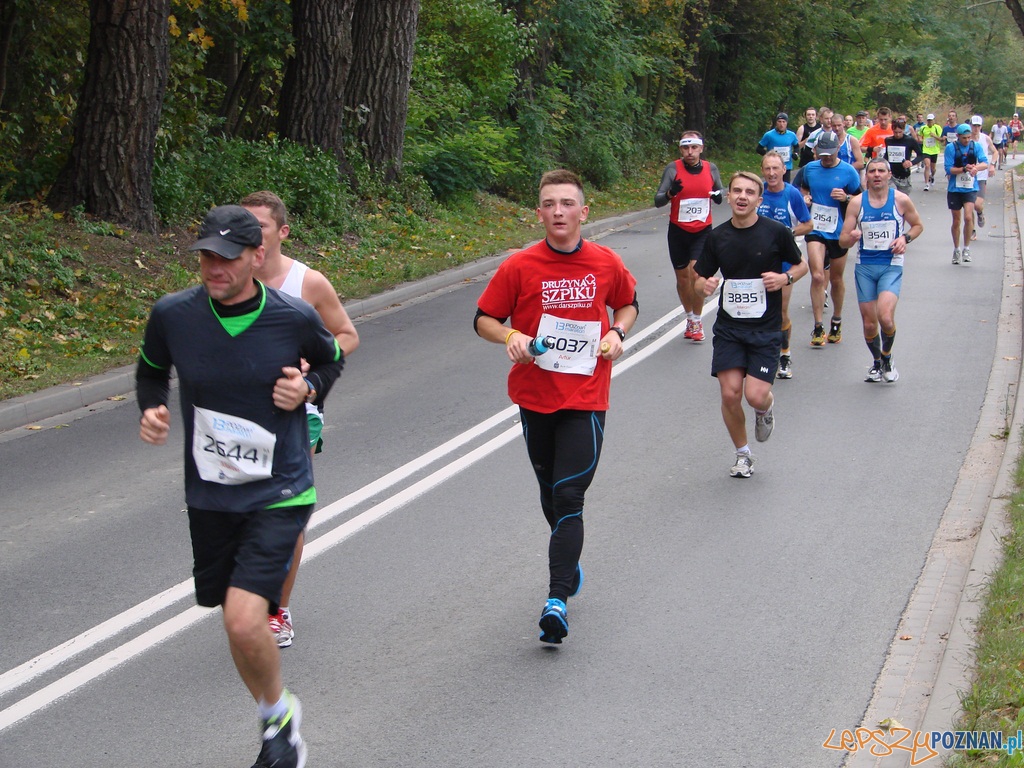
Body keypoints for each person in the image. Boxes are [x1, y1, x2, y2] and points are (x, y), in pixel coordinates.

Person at [137, 205, 345, 768]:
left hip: (281, 489)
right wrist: (152, 407)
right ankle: (276, 718)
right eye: (206, 255)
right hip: (211, 491)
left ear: (257, 256)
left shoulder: (293, 317)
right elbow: (151, 369)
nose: (214, 267)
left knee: (243, 616)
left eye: (227, 257)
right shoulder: (174, 315)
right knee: (233, 620)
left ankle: (279, 725)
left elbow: (330, 362)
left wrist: (306, 389)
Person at [474, 169, 638, 644]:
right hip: (534, 395)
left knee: (569, 496)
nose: (559, 211)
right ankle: (568, 561)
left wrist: (616, 332)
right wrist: (511, 335)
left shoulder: (606, 262)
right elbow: (484, 318)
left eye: (568, 203)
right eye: (550, 203)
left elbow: (628, 304)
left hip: (586, 397)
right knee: (550, 494)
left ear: (584, 212)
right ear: (540, 212)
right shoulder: (520, 266)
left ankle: (556, 599)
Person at [242, 190, 360, 649]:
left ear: (282, 232)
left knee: (283, 510)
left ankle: (277, 611)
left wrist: (315, 362)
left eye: (262, 227)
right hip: (238, 416)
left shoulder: (307, 284)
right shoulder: (228, 277)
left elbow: (347, 336)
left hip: (298, 413)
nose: (252, 236)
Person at [694, 172, 807, 478]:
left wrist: (785, 278)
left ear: (759, 199)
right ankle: (743, 454)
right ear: (728, 197)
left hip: (766, 328)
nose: (742, 196)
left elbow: (802, 265)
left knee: (755, 395)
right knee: (730, 393)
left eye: (749, 192)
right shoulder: (717, 237)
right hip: (730, 328)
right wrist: (703, 286)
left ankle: (764, 408)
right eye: (737, 191)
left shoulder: (775, 232)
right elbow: (699, 279)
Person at [839, 158, 924, 384]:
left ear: (888, 175)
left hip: (891, 264)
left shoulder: (901, 200)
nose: (876, 175)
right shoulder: (857, 203)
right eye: (872, 171)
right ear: (866, 176)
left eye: (881, 171)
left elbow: (918, 226)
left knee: (885, 317)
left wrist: (904, 238)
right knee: (869, 324)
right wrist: (852, 237)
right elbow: (842, 241)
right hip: (865, 266)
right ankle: (877, 361)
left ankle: (887, 356)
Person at [792, 131, 863, 347]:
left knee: (837, 279)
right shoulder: (810, 169)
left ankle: (836, 320)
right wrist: (804, 197)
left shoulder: (849, 172)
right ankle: (818, 326)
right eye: (822, 155)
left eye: (830, 155)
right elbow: (797, 188)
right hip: (816, 229)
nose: (826, 158)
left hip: (839, 231)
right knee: (817, 276)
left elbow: (860, 199)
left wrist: (847, 197)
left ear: (837, 150)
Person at [655, 130, 724, 342]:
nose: (690, 152)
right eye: (686, 147)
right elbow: (657, 200)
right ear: (680, 149)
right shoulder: (672, 168)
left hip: (702, 231)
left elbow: (720, 192)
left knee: (696, 275)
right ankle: (689, 315)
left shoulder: (710, 168)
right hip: (678, 232)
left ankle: (696, 319)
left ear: (701, 149)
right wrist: (670, 193)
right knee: (683, 279)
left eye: (694, 147)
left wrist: (718, 195)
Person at [757, 151, 812, 380]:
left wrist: (788, 233)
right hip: (757, 259)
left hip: (785, 260)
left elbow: (808, 225)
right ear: (763, 171)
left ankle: (784, 354)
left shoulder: (792, 194)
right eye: (767, 169)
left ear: (783, 170)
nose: (771, 173)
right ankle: (760, 354)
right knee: (756, 310)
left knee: (779, 310)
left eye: (775, 169)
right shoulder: (757, 192)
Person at [944, 123, 989, 264]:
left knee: (968, 217)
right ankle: (956, 249)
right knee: (956, 220)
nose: (967, 140)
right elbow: (948, 169)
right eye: (964, 138)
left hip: (970, 188)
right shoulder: (951, 148)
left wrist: (975, 168)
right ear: (958, 136)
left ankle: (966, 248)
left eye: (969, 137)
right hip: (955, 189)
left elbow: (985, 163)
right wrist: (963, 169)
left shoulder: (975, 146)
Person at [970, 116, 998, 237]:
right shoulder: (966, 139)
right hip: (968, 176)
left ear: (981, 127)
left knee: (977, 204)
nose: (976, 128)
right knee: (969, 205)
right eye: (974, 126)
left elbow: (995, 152)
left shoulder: (985, 138)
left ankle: (980, 213)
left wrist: (992, 165)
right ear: (970, 125)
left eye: (978, 126)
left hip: (981, 176)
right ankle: (971, 230)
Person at [756, 113, 801, 182]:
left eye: (783, 122)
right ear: (776, 122)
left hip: (786, 166)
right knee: (773, 185)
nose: (781, 124)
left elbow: (796, 147)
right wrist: (769, 155)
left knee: (786, 187)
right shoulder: (769, 135)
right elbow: (759, 149)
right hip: (773, 166)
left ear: (786, 123)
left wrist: (796, 154)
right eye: (779, 121)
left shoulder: (791, 135)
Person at [882, 117, 922, 192]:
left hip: (904, 175)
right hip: (891, 174)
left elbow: (920, 155)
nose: (897, 134)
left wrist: (911, 163)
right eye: (895, 132)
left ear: (903, 130)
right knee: (891, 197)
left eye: (900, 132)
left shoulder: (910, 140)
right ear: (892, 130)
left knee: (902, 200)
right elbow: (887, 155)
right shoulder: (888, 140)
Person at [919, 113, 943, 190]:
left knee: (933, 169)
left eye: (931, 120)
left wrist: (934, 136)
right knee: (927, 165)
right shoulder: (923, 128)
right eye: (928, 120)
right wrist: (920, 139)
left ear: (933, 121)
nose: (930, 122)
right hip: (926, 150)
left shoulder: (937, 128)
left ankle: (932, 176)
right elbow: (919, 135)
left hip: (934, 150)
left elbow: (941, 139)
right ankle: (926, 184)